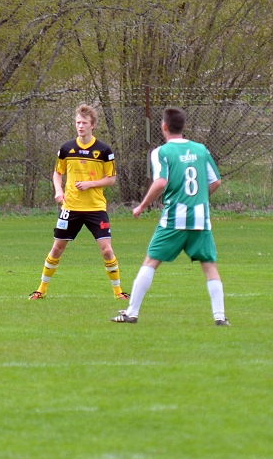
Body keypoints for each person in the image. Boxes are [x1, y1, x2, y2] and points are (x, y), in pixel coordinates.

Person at [113, 107, 229, 326]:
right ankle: (220, 316)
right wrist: (198, 200)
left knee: (150, 261)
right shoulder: (201, 150)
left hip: (174, 219)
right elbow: (216, 182)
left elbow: (161, 182)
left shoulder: (161, 152)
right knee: (209, 265)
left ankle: (132, 312)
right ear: (184, 126)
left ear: (163, 126)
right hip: (200, 219)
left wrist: (142, 205)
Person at [29, 104, 128, 301]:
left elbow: (111, 179)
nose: (80, 126)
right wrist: (58, 191)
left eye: (84, 123)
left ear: (93, 126)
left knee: (107, 250)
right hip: (71, 207)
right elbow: (58, 172)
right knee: (57, 248)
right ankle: (41, 289)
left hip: (96, 208)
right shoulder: (66, 149)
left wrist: (91, 184)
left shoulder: (104, 151)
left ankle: (118, 292)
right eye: (77, 123)